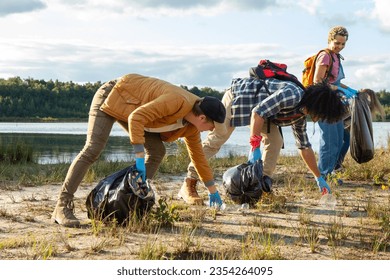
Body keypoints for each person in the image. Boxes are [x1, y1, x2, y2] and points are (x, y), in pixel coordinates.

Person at [51, 73, 227, 227]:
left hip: (136, 111)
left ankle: (135, 203)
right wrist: (139, 158)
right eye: (212, 126)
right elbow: (136, 117)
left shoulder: (191, 127)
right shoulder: (177, 101)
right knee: (93, 149)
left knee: (157, 152)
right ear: (202, 117)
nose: (212, 130)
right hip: (115, 94)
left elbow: (198, 157)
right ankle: (62, 206)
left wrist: (212, 190)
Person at [178, 76, 347, 205]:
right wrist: (254, 145)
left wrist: (318, 177)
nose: (320, 120)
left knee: (275, 141)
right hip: (239, 98)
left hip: (264, 113)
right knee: (219, 136)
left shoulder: (300, 115)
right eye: (323, 115)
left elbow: (304, 146)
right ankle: (189, 183)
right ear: (319, 106)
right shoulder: (292, 95)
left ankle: (262, 188)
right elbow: (257, 112)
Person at [312, 26, 358, 179]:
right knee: (329, 141)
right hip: (324, 103)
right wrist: (339, 90)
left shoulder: (337, 57)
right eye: (337, 43)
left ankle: (331, 172)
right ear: (329, 40)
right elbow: (317, 81)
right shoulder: (325, 56)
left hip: (335, 103)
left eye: (343, 44)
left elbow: (336, 82)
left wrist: (350, 89)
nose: (340, 47)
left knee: (340, 139)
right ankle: (323, 176)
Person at [335, 88, 386, 171]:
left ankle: (337, 163)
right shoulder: (357, 102)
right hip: (340, 123)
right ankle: (337, 164)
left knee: (344, 142)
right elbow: (349, 117)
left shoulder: (356, 101)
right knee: (346, 142)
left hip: (340, 123)